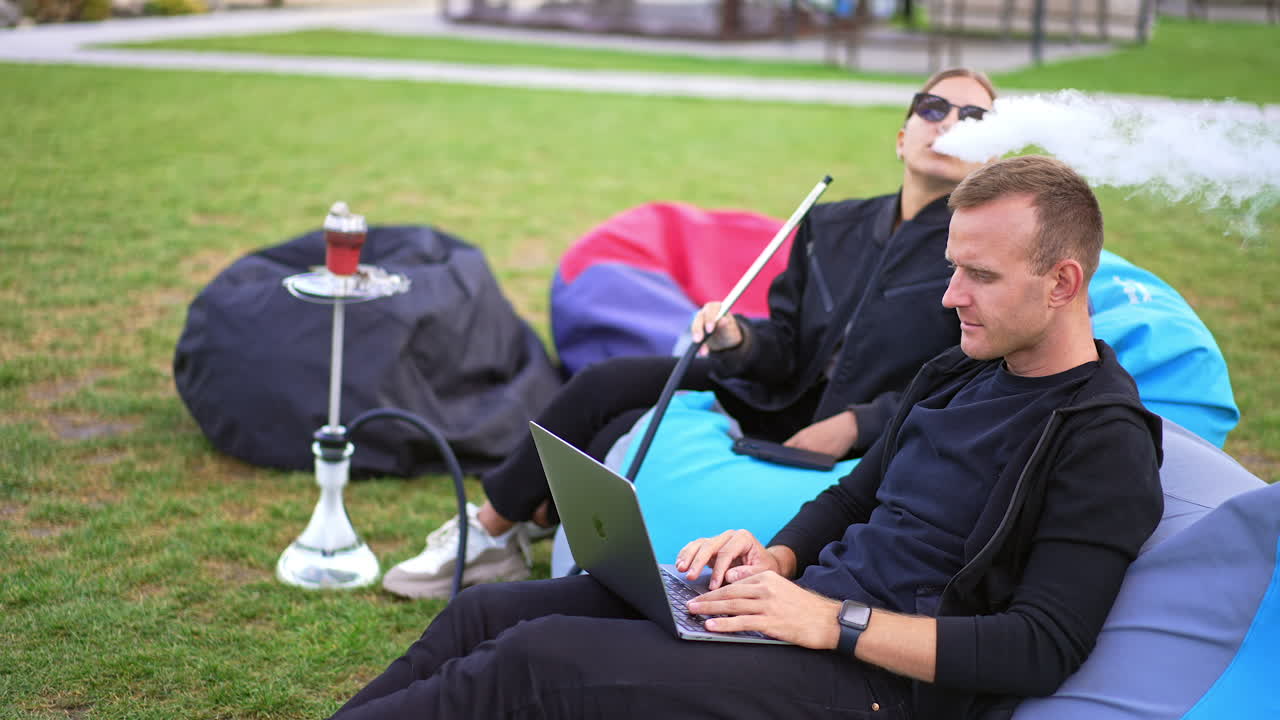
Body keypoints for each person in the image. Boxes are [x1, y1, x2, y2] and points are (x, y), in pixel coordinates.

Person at [328, 155, 1164, 720]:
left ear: (1063, 282)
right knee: (487, 614)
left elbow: (1040, 647)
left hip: (875, 685)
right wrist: (777, 561)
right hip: (796, 613)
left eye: (978, 275)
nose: (950, 296)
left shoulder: (1102, 438)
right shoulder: (957, 372)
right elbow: (853, 495)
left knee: (535, 662)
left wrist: (828, 621)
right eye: (951, 267)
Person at [382, 68, 1000, 599]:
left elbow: (964, 375)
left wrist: (855, 426)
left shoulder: (979, 253)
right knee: (608, 386)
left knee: (609, 433)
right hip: (779, 395)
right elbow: (783, 343)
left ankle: (530, 517)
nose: (948, 122)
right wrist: (737, 340)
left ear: (990, 153)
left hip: (870, 435)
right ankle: (490, 530)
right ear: (901, 137)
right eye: (933, 107)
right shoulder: (832, 222)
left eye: (973, 115)